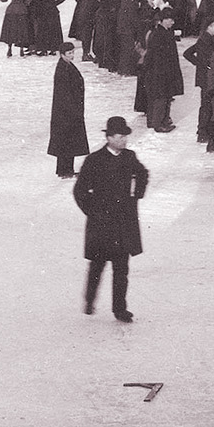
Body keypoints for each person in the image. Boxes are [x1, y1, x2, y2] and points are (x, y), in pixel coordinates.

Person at [74, 116, 149, 322]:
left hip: (123, 223)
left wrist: (137, 194)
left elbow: (143, 173)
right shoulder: (94, 160)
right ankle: (90, 300)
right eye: (119, 136)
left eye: (125, 136)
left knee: (121, 269)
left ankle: (120, 308)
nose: (124, 140)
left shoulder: (129, 157)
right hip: (102, 225)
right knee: (97, 266)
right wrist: (93, 211)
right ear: (109, 138)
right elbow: (79, 191)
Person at [49, 43, 89, 178]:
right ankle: (65, 170)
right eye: (69, 53)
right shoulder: (63, 69)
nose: (72, 55)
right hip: (67, 111)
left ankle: (67, 169)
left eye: (72, 52)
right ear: (62, 54)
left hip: (68, 110)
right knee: (66, 140)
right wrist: (73, 111)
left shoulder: (66, 65)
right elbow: (65, 93)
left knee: (67, 140)